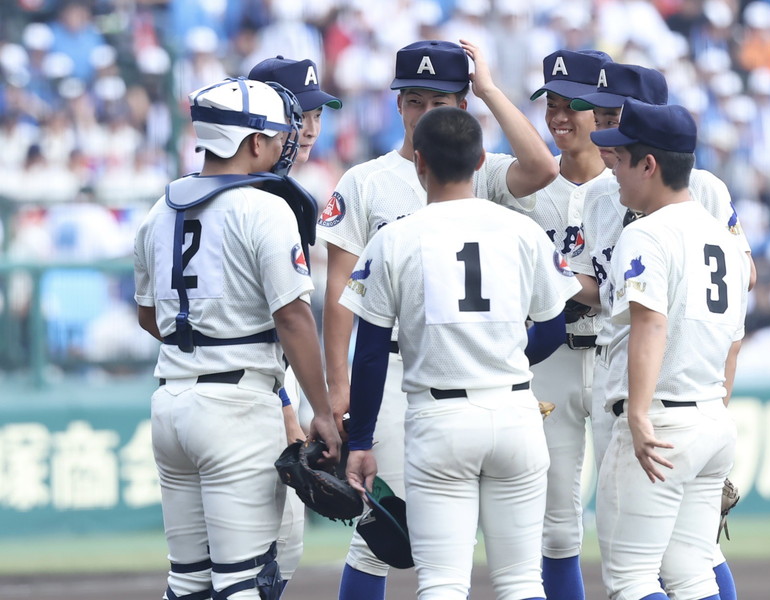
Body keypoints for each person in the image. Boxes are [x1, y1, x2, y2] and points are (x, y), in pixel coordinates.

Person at [317, 39, 558, 600]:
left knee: (422, 560)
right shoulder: (366, 180)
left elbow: (543, 167)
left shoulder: (484, 171)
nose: (425, 113)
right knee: (376, 535)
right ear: (398, 104)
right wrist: (339, 388)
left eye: (442, 101)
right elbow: (337, 294)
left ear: (464, 106)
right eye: (415, 100)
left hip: (445, 383)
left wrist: (492, 90)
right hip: (404, 376)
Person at [133, 76, 341, 600]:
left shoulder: (160, 211)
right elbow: (295, 319)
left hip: (171, 402)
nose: (284, 143)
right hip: (236, 408)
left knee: (188, 582)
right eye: (275, 136)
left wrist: (206, 334)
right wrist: (321, 409)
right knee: (243, 582)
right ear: (252, 142)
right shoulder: (265, 207)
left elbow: (149, 319)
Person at [569, 62, 749, 600]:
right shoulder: (726, 241)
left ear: (650, 164)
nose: (612, 169)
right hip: (710, 417)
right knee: (692, 571)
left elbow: (649, 324)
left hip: (659, 420)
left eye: (621, 158)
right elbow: (734, 340)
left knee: (631, 579)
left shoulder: (646, 234)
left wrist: (642, 415)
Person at [247, 55, 343, 595]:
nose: (309, 126)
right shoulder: (256, 198)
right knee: (259, 560)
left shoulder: (280, 193)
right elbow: (274, 317)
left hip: (254, 384)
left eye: (315, 113)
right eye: (297, 112)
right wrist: (288, 406)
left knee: (273, 554)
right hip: (246, 391)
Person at [523, 47, 613, 600]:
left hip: (612, 355)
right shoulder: (526, 187)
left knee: (632, 520)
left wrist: (560, 282)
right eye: (551, 103)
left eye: (571, 104)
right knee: (556, 524)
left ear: (601, 110)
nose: (558, 116)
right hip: (550, 360)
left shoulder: (631, 183)